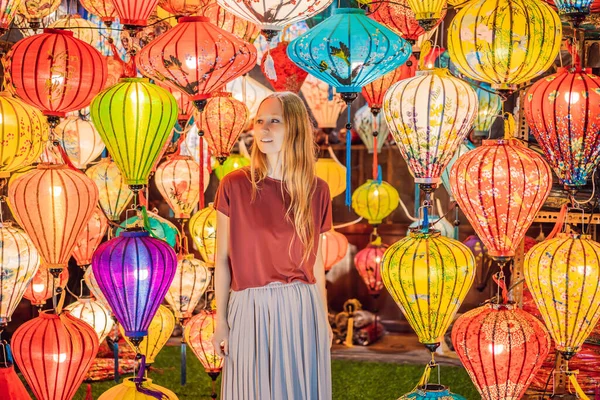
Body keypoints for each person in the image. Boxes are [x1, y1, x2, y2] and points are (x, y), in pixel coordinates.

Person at [212, 92, 333, 400]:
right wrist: (221, 321)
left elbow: (316, 263)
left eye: (274, 121)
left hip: (302, 306)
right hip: (249, 307)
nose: (263, 129)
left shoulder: (317, 190)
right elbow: (223, 261)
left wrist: (324, 318)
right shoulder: (235, 185)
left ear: (294, 128)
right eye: (260, 121)